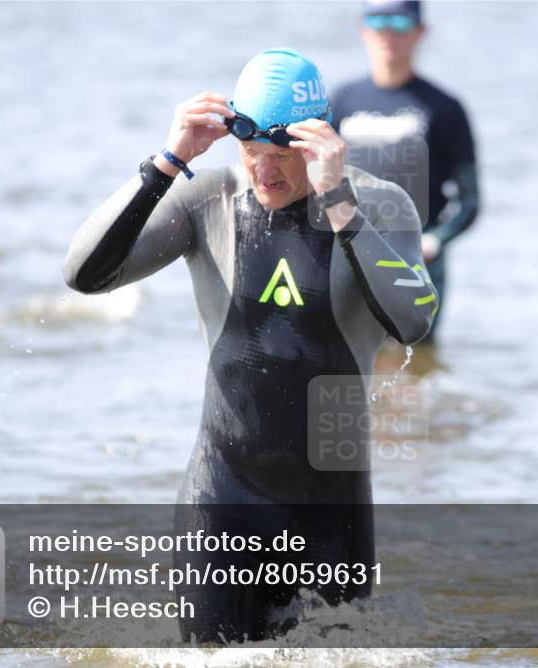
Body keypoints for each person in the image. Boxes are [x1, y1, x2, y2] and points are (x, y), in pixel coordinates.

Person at [64, 48, 437, 642]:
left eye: (280, 155)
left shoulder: (379, 205)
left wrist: (338, 203)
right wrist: (166, 162)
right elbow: (84, 274)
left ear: (318, 140)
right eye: (251, 152)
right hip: (223, 498)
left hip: (330, 512)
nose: (264, 172)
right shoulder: (208, 198)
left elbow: (413, 322)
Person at [331, 0, 479, 342]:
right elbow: (317, 182)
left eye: (399, 23)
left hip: (418, 261)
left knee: (415, 362)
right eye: (378, 21)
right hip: (351, 252)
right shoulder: (341, 101)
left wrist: (436, 241)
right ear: (363, 29)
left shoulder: (444, 108)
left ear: (420, 32)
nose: (387, 32)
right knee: (351, 359)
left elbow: (471, 201)